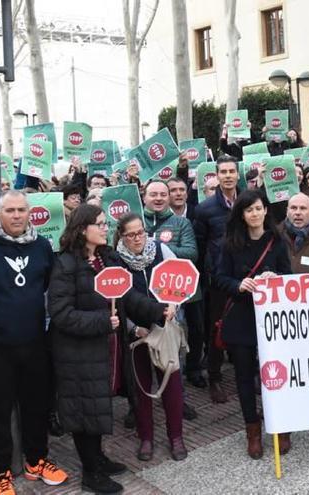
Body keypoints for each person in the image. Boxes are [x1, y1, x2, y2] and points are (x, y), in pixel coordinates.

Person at [47, 204, 173, 494]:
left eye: (105, 223)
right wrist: (102, 321)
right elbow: (61, 313)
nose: (106, 228)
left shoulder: (107, 258)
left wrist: (157, 310)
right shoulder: (66, 264)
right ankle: (91, 473)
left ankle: (98, 459)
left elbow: (127, 295)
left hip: (106, 347)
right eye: (100, 224)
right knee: (84, 409)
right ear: (82, 230)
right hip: (78, 353)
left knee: (97, 405)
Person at [0, 191, 67, 495]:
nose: (17, 215)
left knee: (36, 405)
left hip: (34, 341)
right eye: (10, 210)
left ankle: (36, 460)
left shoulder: (42, 245)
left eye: (22, 210)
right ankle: (1, 471)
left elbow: (49, 286)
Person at [216, 190, 291, 459]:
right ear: (242, 214)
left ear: (266, 210)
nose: (255, 214)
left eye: (258, 208)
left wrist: (277, 278)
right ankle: (253, 430)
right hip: (241, 318)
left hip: (271, 321)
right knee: (245, 378)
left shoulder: (278, 241)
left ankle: (281, 425)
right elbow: (219, 278)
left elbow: (289, 277)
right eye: (249, 210)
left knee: (276, 375)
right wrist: (238, 285)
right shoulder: (230, 244)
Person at [113, 214, 187, 462]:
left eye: (141, 232)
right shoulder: (115, 261)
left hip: (163, 329)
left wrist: (174, 305)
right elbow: (116, 302)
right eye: (131, 234)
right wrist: (133, 327)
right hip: (136, 334)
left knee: (172, 385)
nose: (137, 238)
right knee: (141, 389)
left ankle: (176, 436)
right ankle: (146, 437)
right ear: (122, 236)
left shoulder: (162, 250)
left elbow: (181, 281)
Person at [142, 180, 205, 393]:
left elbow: (191, 252)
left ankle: (178, 388)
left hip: (172, 291)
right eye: (153, 194)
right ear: (144, 197)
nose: (158, 198)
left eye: (162, 194)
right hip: (144, 292)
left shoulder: (180, 223)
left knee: (176, 340)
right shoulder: (137, 222)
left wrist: (159, 248)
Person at [194, 156, 241, 404]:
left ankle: (250, 373)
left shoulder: (248, 202)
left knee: (247, 326)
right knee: (216, 329)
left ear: (238, 173)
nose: (228, 176)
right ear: (216, 175)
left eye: (232, 171)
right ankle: (214, 377)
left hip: (245, 277)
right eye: (223, 171)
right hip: (218, 280)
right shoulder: (205, 209)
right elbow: (200, 247)